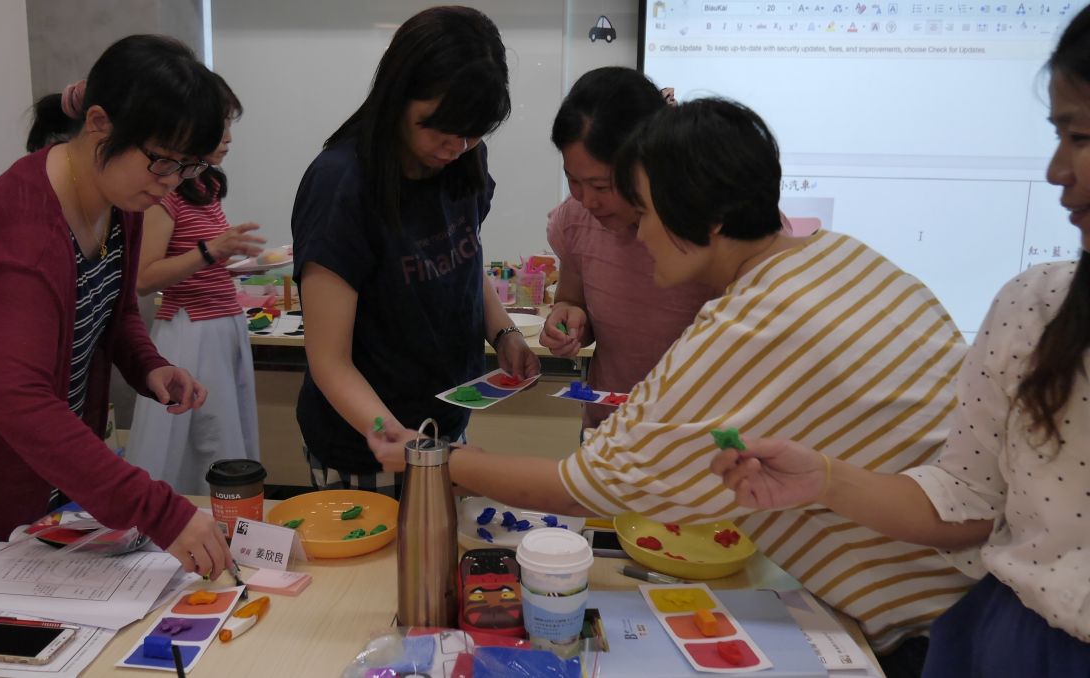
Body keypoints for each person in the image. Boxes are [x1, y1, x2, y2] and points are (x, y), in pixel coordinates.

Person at [371, 98, 975, 669]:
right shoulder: (845, 256)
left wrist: (437, 458)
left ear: (709, 220)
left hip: (929, 632)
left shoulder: (750, 324)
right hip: (975, 595)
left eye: (647, 214)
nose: (639, 235)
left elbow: (583, 488)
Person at [709, 9, 1090, 675]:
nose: (1058, 170)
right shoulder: (1034, 306)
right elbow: (968, 496)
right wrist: (824, 479)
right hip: (1011, 641)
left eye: (1081, 136)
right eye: (1058, 134)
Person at [0, 34, 235, 617]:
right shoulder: (19, 236)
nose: (171, 181)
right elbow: (19, 402)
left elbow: (114, 309)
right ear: (99, 124)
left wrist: (148, 364)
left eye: (189, 166)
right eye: (163, 160)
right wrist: (160, 510)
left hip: (42, 478)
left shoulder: (119, 200)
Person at [292, 6, 539, 498]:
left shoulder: (464, 159)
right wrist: (393, 434)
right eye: (437, 128)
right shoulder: (342, 184)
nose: (454, 147)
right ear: (398, 95)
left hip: (443, 423)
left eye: (472, 133)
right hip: (367, 443)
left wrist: (503, 332)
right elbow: (329, 361)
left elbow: (461, 258)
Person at [541, 67, 714, 430]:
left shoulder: (715, 226)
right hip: (610, 429)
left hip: (697, 434)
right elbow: (572, 300)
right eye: (573, 180)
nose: (587, 200)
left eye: (602, 186)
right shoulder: (576, 219)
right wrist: (569, 319)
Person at [128, 74, 264, 495]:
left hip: (223, 324)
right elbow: (144, 278)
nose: (228, 138)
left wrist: (228, 259)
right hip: (191, 330)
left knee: (226, 434)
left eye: (229, 125)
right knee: (200, 442)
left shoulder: (205, 185)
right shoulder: (164, 193)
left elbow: (201, 260)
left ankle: (228, 517)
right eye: (220, 125)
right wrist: (212, 250)